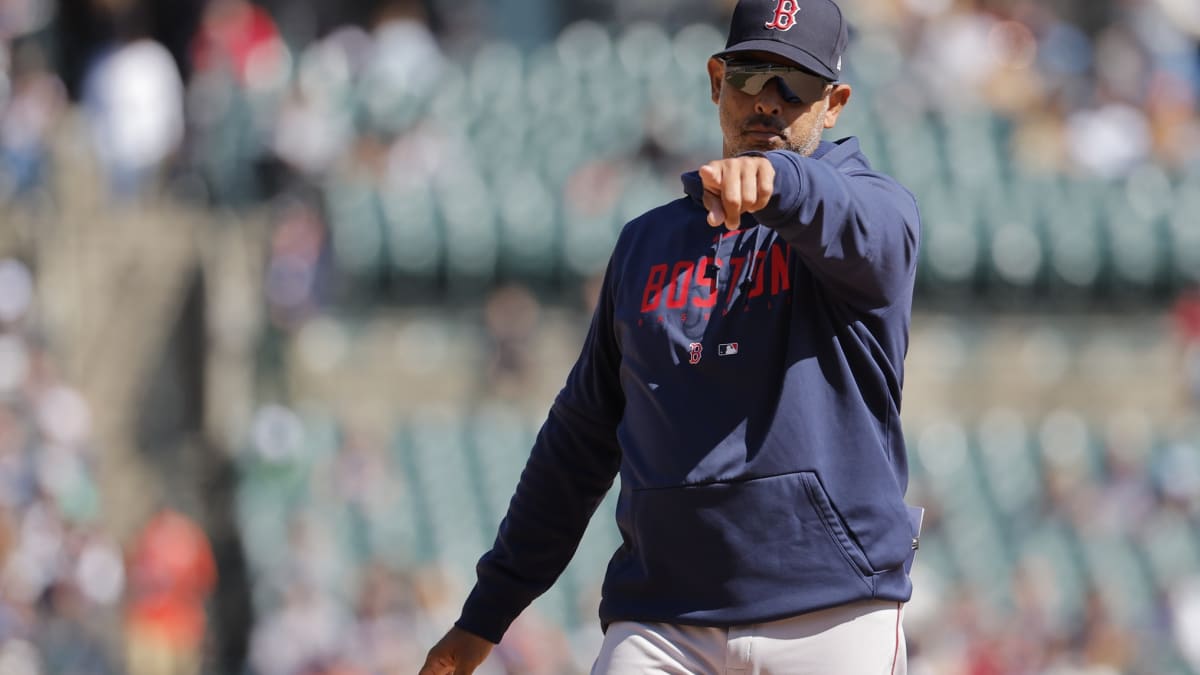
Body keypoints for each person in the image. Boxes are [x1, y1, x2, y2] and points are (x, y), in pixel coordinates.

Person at [421, 0, 922, 672]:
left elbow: (860, 224)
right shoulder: (646, 244)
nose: (768, 102)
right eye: (751, 76)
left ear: (833, 105)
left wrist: (785, 182)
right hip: (662, 620)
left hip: (829, 611)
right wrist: (485, 615)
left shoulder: (871, 212)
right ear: (717, 80)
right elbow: (578, 443)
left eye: (795, 85)